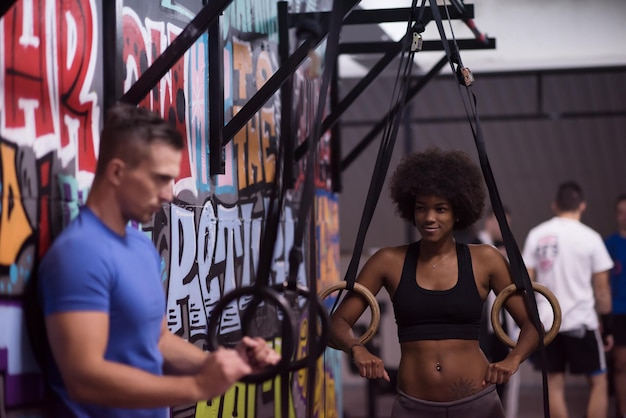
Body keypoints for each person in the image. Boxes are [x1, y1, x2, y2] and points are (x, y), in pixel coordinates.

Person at [37, 103, 280, 418]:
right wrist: (196, 387)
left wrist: (222, 362)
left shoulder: (140, 247)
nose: (169, 194)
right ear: (116, 172)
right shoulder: (79, 253)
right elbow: (84, 378)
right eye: (160, 179)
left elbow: (158, 340)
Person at [329, 147, 539, 417]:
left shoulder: (485, 259)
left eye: (440, 209)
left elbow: (532, 325)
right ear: (410, 211)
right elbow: (336, 323)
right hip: (413, 406)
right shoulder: (387, 261)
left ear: (458, 212)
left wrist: (513, 359)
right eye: (421, 209)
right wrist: (358, 349)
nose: (429, 218)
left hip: (476, 402)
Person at [522, 181, 613, 418]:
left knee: (553, 384)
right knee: (599, 383)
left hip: (547, 324)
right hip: (581, 322)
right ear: (582, 206)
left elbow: (525, 284)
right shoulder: (591, 238)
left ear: (555, 205)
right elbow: (602, 290)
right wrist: (608, 327)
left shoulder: (536, 235)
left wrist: (530, 321)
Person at [474, 208, 522, 417]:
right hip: (480, 325)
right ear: (489, 222)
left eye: (508, 225)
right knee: (477, 374)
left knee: (503, 375)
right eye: (501, 223)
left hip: (502, 324)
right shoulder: (475, 244)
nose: (504, 229)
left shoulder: (506, 250)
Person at [605, 193, 626, 418]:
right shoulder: (608, 244)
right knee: (620, 364)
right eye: (621, 212)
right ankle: (622, 410)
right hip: (618, 311)